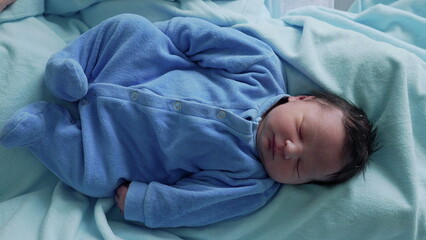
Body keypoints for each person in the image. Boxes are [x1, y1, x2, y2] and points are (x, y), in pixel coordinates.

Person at [0, 14, 377, 228]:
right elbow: (203, 39)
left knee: (92, 178)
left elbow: (195, 204)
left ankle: (44, 130)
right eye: (301, 131)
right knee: (129, 26)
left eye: (299, 167)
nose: (290, 149)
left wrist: (146, 202)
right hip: (141, 66)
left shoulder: (250, 185)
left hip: (119, 144)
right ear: (300, 99)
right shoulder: (262, 70)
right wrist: (164, 38)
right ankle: (68, 69)